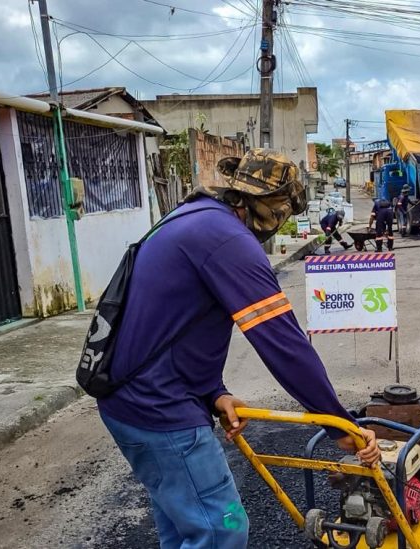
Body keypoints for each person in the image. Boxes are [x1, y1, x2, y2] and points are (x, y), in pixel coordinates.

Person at [97, 149, 380, 549]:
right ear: (271, 205)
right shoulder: (227, 239)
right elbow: (283, 344)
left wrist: (214, 393)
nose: (282, 220)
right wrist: (338, 424)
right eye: (284, 208)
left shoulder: (191, 218)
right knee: (220, 532)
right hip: (159, 408)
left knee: (182, 531)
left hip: (128, 401)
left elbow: (172, 327)